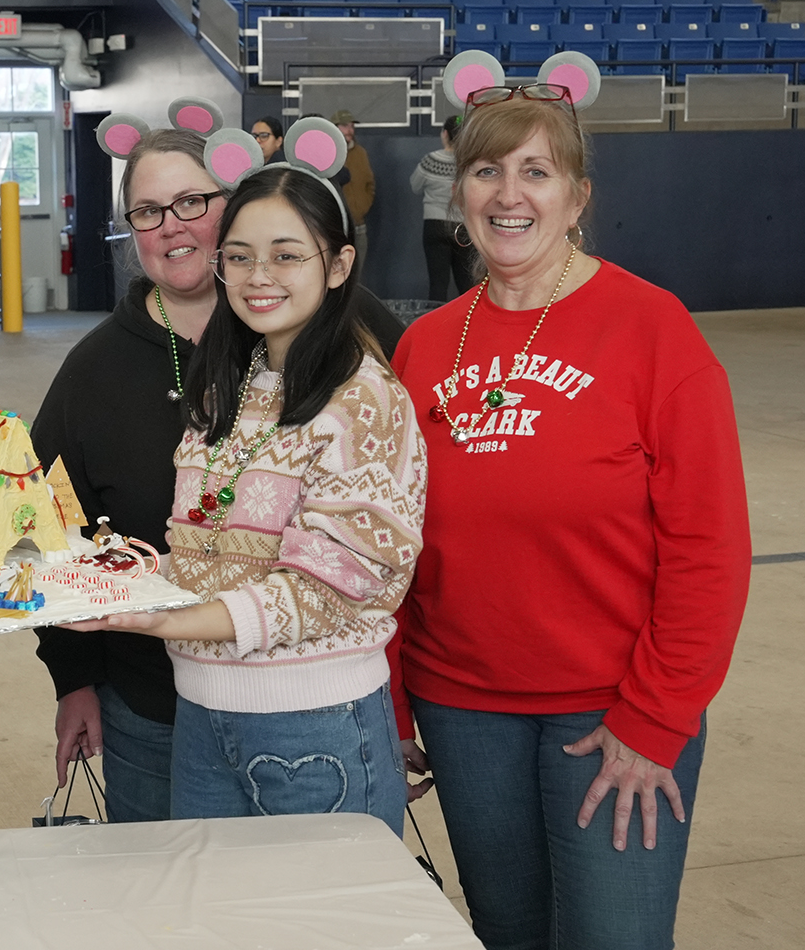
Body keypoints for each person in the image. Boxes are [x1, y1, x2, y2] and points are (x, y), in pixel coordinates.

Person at [391, 85, 751, 949]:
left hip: (612, 712)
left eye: (536, 171)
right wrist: (397, 700)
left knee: (613, 935)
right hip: (464, 709)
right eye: (486, 170)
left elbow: (711, 550)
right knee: (509, 934)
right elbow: (391, 540)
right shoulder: (428, 344)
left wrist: (656, 719)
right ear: (459, 191)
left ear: (578, 196)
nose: (508, 194)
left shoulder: (652, 330)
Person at [32, 123, 406, 823]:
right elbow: (57, 520)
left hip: (305, 711)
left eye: (193, 203)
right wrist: (77, 665)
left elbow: (356, 567)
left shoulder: (356, 362)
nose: (172, 226)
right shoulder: (151, 378)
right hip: (174, 703)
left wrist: (158, 616)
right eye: (148, 212)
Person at [410, 115, 475, 302]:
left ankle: (435, 328)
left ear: (445, 134)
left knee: (438, 284)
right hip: (463, 226)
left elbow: (415, 186)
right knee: (467, 283)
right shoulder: (470, 163)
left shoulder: (430, 160)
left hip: (434, 224)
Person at [332, 109, 375, 273]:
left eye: (351, 126)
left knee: (356, 275)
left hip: (358, 226)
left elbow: (369, 184)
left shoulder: (360, 153)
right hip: (335, 227)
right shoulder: (328, 154)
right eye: (345, 126)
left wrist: (362, 208)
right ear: (334, 127)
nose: (350, 130)